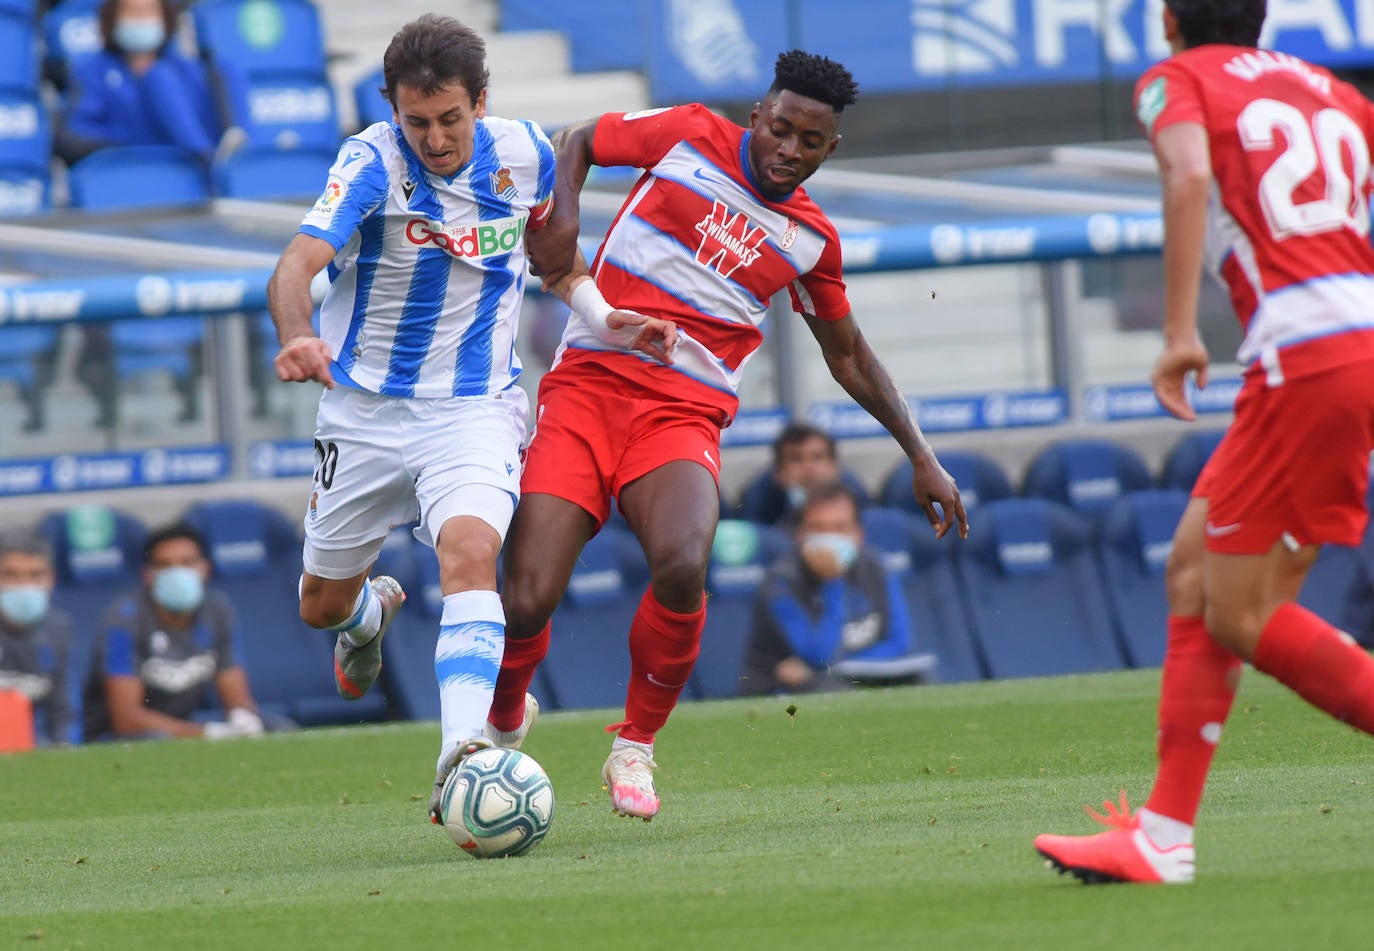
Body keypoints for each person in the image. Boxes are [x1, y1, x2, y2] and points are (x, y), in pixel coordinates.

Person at [483, 50, 967, 821]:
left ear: (829, 149)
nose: (789, 151)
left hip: (681, 414)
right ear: (757, 117)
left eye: (810, 142)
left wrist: (921, 452)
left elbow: (846, 356)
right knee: (528, 596)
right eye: (781, 129)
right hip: (587, 389)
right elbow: (574, 139)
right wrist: (563, 213)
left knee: (681, 561)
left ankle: (635, 745)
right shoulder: (684, 133)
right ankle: (504, 716)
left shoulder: (810, 241)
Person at [265, 15, 674, 826]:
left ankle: (462, 754)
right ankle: (367, 615)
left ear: (480, 102)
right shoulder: (370, 161)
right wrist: (296, 335)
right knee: (318, 602)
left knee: (471, 549)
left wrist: (605, 315)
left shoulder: (525, 155)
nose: (436, 137)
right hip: (365, 412)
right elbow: (296, 264)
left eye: (451, 118)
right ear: (393, 108)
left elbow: (556, 261)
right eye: (417, 120)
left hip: (473, 408)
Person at [1034, 0, 1374, 885]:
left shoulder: (1177, 79)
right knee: (1194, 569)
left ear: (1168, 22)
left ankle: (1163, 840)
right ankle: (1162, 836)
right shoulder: (1335, 93)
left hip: (1305, 360)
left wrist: (1182, 330)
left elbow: (1187, 179)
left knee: (1246, 613)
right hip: (1335, 349)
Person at [740, 481, 932, 696]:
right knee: (832, 688)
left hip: (845, 680)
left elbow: (900, 642)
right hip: (784, 694)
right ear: (800, 535)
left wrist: (844, 667)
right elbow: (820, 656)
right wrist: (833, 584)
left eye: (840, 528)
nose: (829, 539)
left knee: (920, 679)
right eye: (818, 528)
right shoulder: (779, 582)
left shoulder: (875, 567)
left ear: (859, 534)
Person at [82, 523, 269, 741]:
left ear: (205, 568)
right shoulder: (124, 619)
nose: (177, 572)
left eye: (187, 563)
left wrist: (243, 718)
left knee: (276, 726)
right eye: (165, 565)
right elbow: (127, 719)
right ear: (148, 575)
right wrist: (206, 732)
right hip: (116, 741)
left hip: (182, 734)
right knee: (155, 738)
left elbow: (236, 694)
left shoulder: (217, 610)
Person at [54, 0, 224, 166]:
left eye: (149, 11)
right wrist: (126, 140)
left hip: (183, 170)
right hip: (123, 169)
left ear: (165, 17)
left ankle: (213, 163)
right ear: (113, 17)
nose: (140, 18)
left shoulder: (185, 70)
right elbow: (72, 133)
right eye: (130, 11)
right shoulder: (91, 71)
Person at [0, 530, 76, 747]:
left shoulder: (59, 628)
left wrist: (64, 744)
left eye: (35, 575)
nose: (24, 585)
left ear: (50, 579)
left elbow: (63, 708)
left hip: (24, 743)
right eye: (11, 575)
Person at [739, 422, 854, 526]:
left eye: (817, 457)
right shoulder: (759, 498)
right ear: (778, 471)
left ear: (835, 467)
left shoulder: (854, 492)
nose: (808, 468)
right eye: (796, 459)